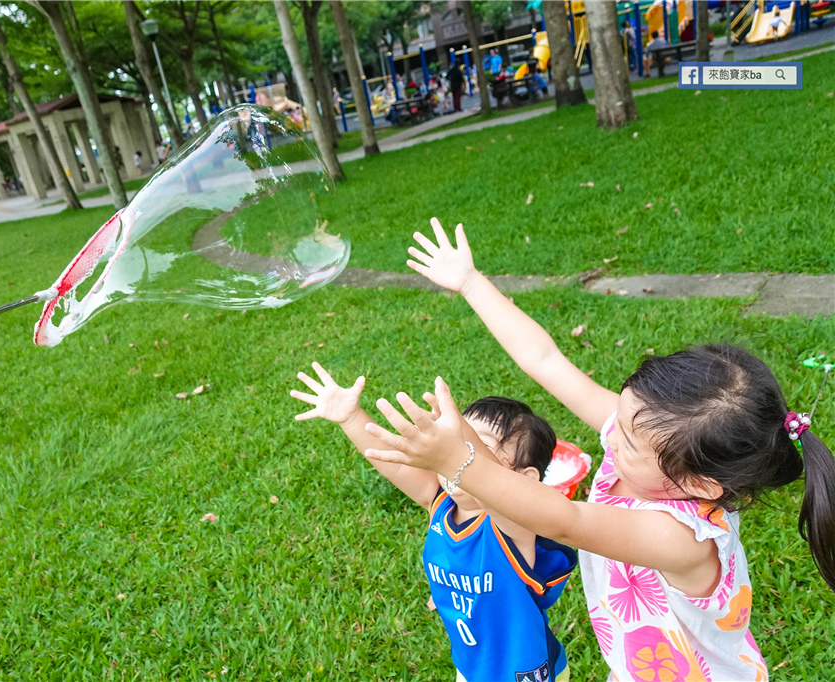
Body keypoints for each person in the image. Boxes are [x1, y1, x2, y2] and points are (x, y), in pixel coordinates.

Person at [361, 218, 835, 682]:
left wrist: (455, 462)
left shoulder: (682, 539)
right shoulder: (649, 441)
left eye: (627, 438)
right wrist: (470, 282)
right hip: (638, 666)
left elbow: (566, 520)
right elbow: (546, 360)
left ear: (696, 484)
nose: (611, 431)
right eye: (623, 415)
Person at [290, 362, 577, 682]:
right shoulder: (439, 503)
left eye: (471, 443)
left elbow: (497, 490)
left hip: (523, 673)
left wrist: (460, 443)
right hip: (471, 666)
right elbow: (392, 464)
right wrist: (351, 417)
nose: (452, 452)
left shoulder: (514, 525)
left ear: (523, 479)